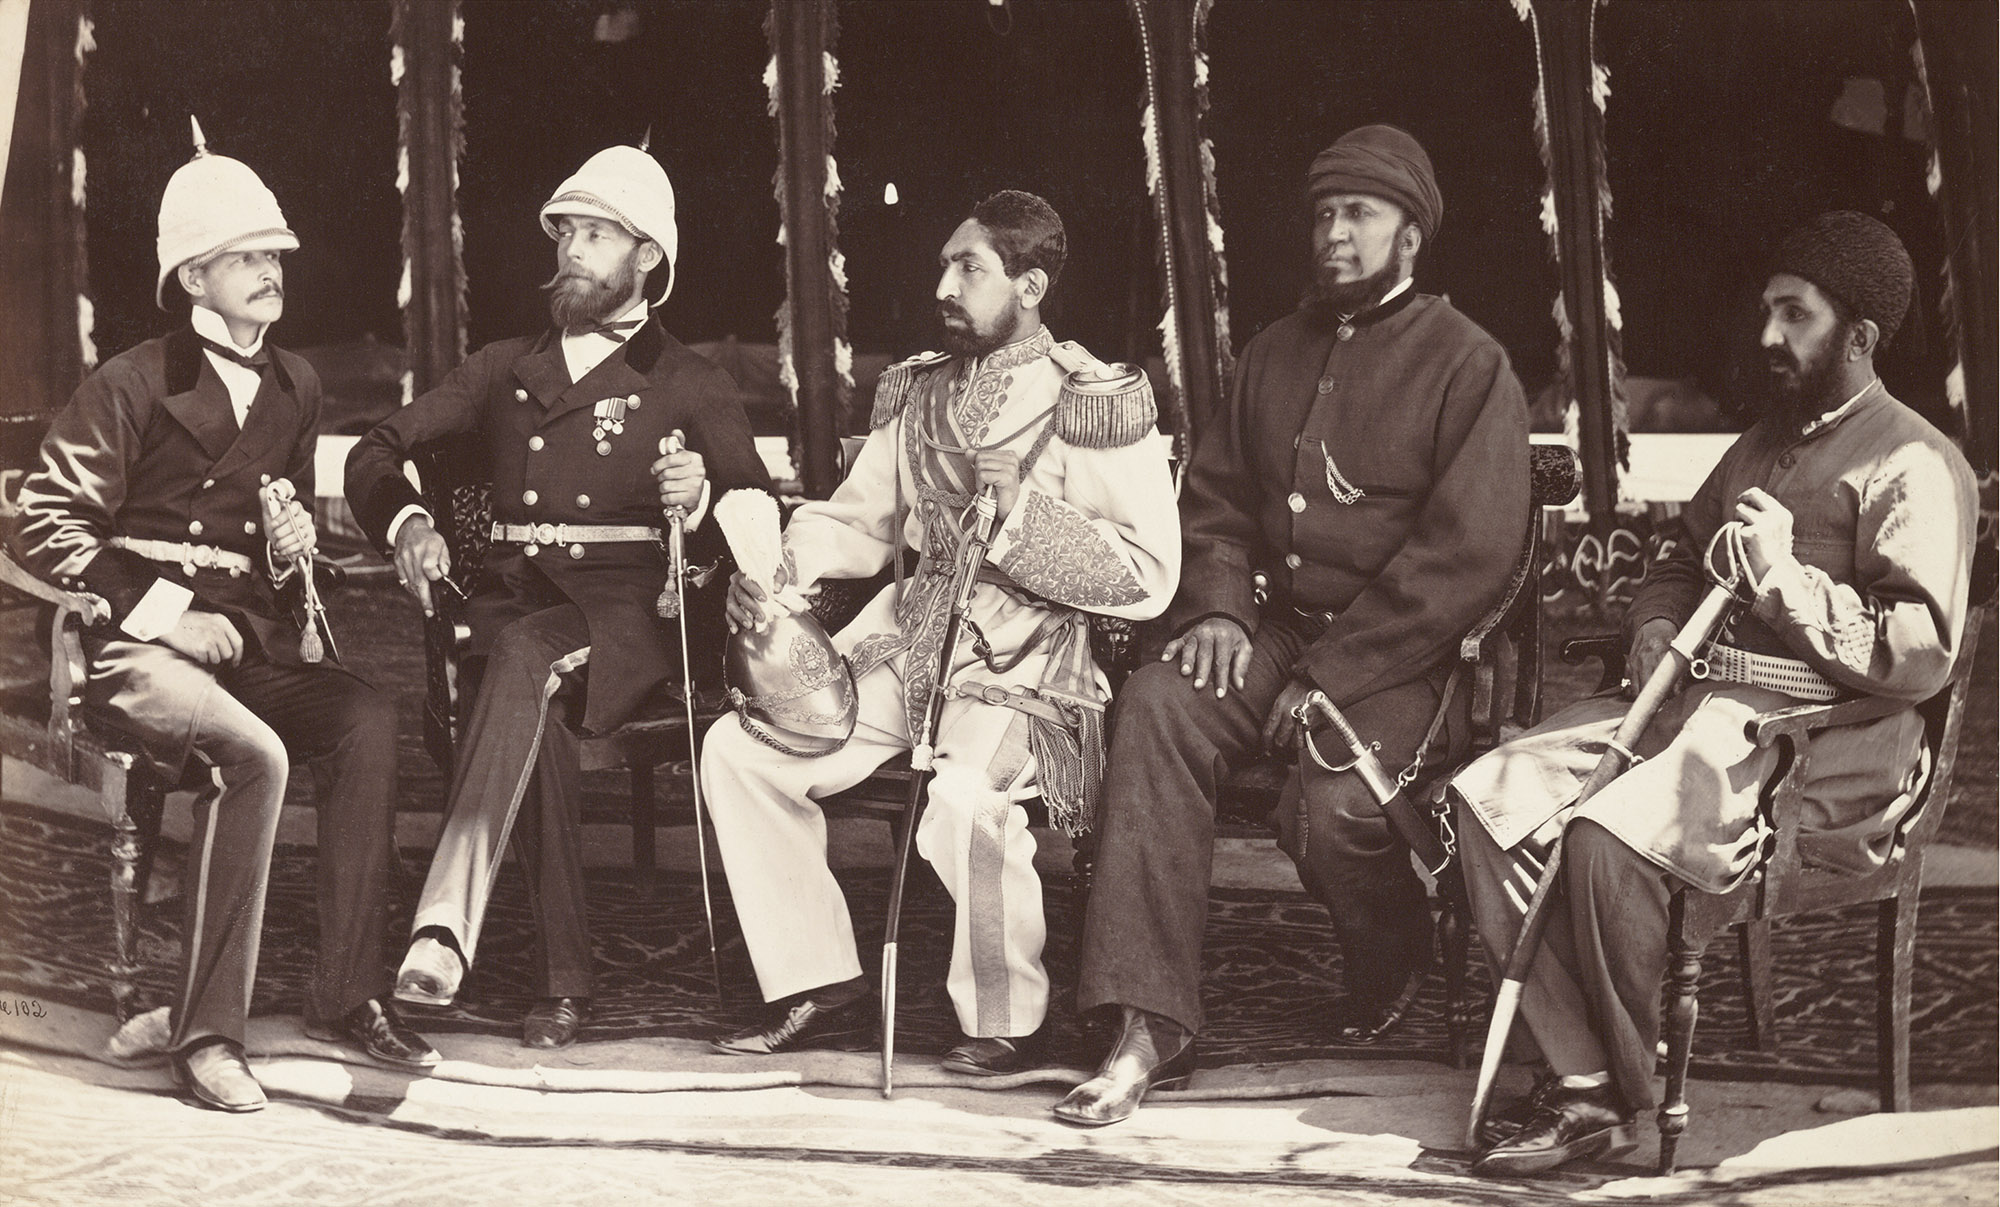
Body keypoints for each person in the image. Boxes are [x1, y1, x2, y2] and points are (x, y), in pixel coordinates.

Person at [1451, 211, 1978, 1178]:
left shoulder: (1916, 463)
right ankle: (1583, 1074)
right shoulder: (1760, 442)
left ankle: (1612, 1095)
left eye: (1796, 315)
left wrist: (1785, 578)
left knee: (1606, 836)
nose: (1769, 334)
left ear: (1859, 337)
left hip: (1827, 745)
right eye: (1769, 310)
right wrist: (1656, 622)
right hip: (1697, 707)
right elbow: (1677, 558)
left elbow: (1918, 654)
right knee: (1491, 795)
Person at [1058, 125, 1531, 1127]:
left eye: (1358, 213)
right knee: (1156, 704)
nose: (1333, 234)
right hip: (1272, 633)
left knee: (1330, 804)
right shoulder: (1273, 351)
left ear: (1411, 234)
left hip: (1403, 657)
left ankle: (1391, 950)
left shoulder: (1469, 364)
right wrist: (1222, 609)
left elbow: (1466, 556)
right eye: (1322, 214)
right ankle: (1147, 1021)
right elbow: (1218, 502)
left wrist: (1334, 673)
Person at [700, 190, 1180, 1074]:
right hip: (907, 637)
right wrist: (776, 572)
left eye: (970, 269)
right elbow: (859, 521)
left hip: (1027, 656)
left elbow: (1148, 574)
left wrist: (1021, 514)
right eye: (945, 266)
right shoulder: (921, 392)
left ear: (1030, 286)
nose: (944, 287)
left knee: (963, 803)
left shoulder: (1091, 399)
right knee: (741, 749)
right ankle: (819, 979)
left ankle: (1007, 1018)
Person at [13, 123, 437, 1112]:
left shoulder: (297, 384)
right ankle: (207, 1037)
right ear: (193, 277)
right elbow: (44, 522)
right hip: (131, 646)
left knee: (367, 718)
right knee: (257, 754)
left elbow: (276, 565)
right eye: (244, 257)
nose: (269, 271)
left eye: (274, 254)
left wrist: (291, 553)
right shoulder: (133, 379)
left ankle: (346, 992)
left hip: (239, 635)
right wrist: (167, 612)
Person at [344, 143, 769, 1050]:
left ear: (647, 255)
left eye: (596, 235)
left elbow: (760, 516)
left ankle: (444, 923)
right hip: (511, 609)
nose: (571, 249)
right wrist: (408, 521)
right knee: (525, 691)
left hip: (631, 619)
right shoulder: (502, 366)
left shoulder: (691, 380)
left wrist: (702, 499)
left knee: (520, 659)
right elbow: (375, 449)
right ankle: (563, 984)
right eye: (566, 232)